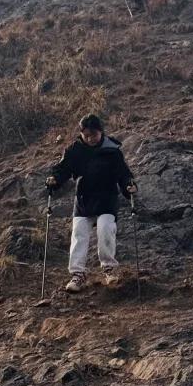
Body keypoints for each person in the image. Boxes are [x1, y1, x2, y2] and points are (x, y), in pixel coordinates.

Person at [46, 114, 136, 292]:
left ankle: (109, 269)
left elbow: (123, 174)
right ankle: (77, 274)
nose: (90, 139)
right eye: (86, 135)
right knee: (78, 234)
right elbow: (63, 169)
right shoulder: (75, 150)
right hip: (83, 199)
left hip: (107, 198)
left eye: (93, 135)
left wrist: (129, 186)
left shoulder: (112, 151)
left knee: (105, 229)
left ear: (101, 131)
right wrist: (55, 179)